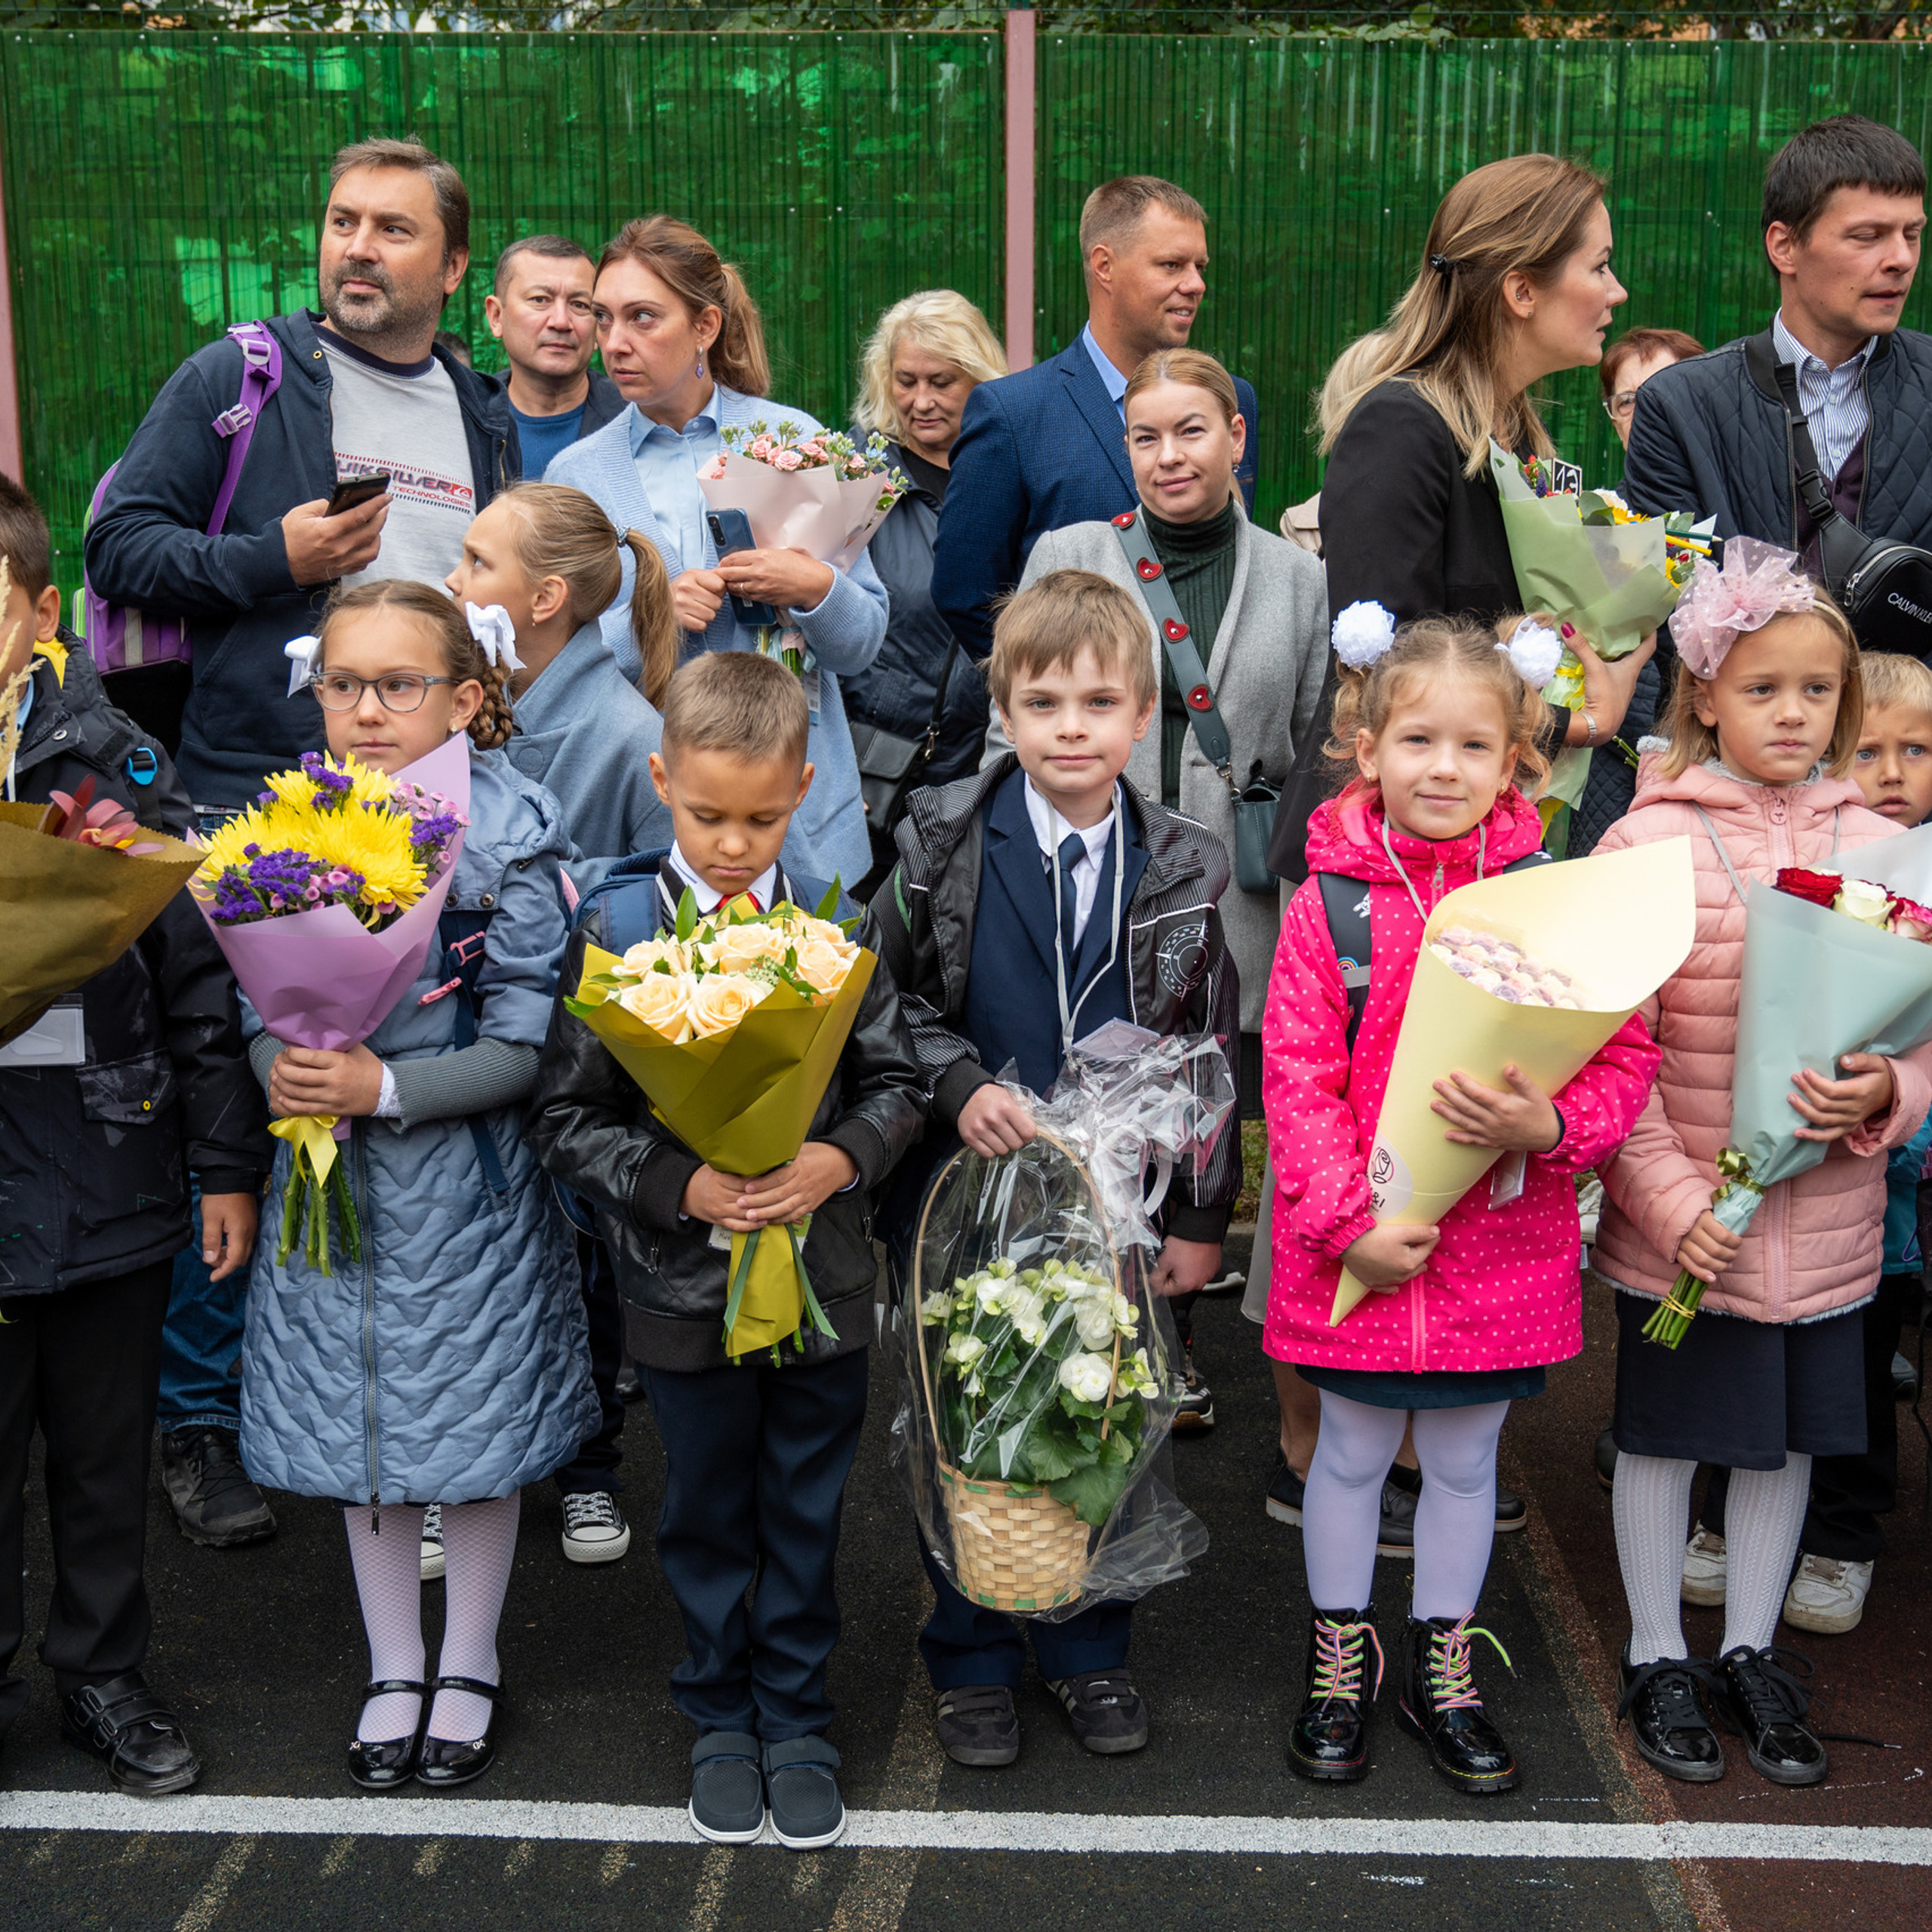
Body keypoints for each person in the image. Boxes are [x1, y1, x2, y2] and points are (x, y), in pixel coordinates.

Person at [85, 137, 520, 1546]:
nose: (359, 249)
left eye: (396, 230)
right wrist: (270, 565)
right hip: (253, 802)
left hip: (426, 819)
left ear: (453, 267)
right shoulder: (242, 378)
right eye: (343, 222)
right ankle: (203, 1421)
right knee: (237, 1098)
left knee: (385, 1104)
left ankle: (398, 1415)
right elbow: (119, 549)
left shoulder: (478, 402)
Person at [528, 651, 924, 1851]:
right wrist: (677, 1183)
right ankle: (716, 1711)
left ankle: (796, 1715)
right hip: (680, 1290)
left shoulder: (837, 918)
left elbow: (899, 1082)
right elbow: (565, 1114)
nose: (734, 843)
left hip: (823, 1286)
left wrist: (838, 1158)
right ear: (661, 780)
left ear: (805, 787)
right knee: (705, 1509)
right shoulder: (613, 925)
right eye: (705, 816)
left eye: (761, 817)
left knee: (806, 1510)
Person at [1263, 613, 1657, 1793]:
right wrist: (1350, 1227)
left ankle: (1446, 1660)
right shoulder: (1324, 907)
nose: (1446, 767)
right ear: (1365, 746)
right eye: (1419, 739)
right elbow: (1296, 1076)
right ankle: (1343, 1660)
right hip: (1365, 1251)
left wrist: (1557, 1130)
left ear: (1518, 759)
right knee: (1348, 1452)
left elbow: (1622, 1048)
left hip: (1501, 1249)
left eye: (1475, 746)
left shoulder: (1551, 899)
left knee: (1470, 1460)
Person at [870, 568, 1241, 1770]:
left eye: (1097, 703)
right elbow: (884, 999)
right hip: (965, 1179)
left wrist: (1200, 1211)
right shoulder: (937, 837)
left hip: (1116, 1201)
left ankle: (1089, 1647)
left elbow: (1205, 1046)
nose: (1070, 728)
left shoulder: (1183, 861)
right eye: (1043, 703)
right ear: (1005, 712)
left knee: (1102, 1402)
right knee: (963, 1407)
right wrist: (957, 1084)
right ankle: (972, 1650)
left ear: (1144, 717)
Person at [238, 579, 595, 1792]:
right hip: (329, 1190)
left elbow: (523, 1042)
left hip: (468, 1199)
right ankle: (396, 1664)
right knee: (364, 1428)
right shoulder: (292, 825)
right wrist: (280, 1064)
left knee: (470, 1433)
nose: (368, 710)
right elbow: (255, 998)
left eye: (400, 685)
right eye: (345, 684)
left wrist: (383, 1090)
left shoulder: (511, 834)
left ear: (467, 696)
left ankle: (472, 1660)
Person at [1593, 550, 1932, 1791]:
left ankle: (1744, 1645)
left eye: (1817, 693)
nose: (1794, 714)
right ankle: (1651, 1651)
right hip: (1687, 1225)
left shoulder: (1886, 848)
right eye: (1763, 689)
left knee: (1785, 1444)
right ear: (1704, 701)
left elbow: (1919, 1032)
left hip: (1828, 1224)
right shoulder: (1649, 841)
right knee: (1666, 1436)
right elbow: (1612, 1055)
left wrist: (1888, 1095)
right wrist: (1676, 1206)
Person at [985, 348, 1327, 1429]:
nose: (1168, 455)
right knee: (1097, 1095)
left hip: (1237, 888)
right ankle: (1106, 1332)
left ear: (1237, 436)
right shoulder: (1072, 550)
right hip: (1098, 872)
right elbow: (1026, 709)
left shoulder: (1298, 577)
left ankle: (1183, 1317)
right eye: (1145, 436)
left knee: (1201, 1098)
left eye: (1192, 430)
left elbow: (1319, 732)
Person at [0, 473, 267, 1795]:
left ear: (38, 614)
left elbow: (197, 983)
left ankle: (103, 1678)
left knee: (103, 1460)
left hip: (105, 1165)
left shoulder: (114, 766)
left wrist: (225, 1165)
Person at [440, 481, 678, 1571]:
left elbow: (649, 901)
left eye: (476, 563)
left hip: (574, 1054)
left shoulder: (628, 732)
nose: (454, 580)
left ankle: (589, 1464)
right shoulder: (454, 707)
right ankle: (458, 1469)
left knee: (586, 1266)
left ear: (543, 598)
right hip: (461, 1047)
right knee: (465, 1260)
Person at [1687, 651, 1932, 1638]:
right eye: (1867, 748)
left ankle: (1842, 1535)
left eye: (1916, 749)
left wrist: (1891, 1089)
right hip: (1770, 1154)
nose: (1891, 770)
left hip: (1888, 1188)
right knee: (1733, 1347)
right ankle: (1716, 1514)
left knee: (1860, 1367)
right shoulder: (1804, 853)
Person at [546, 215, 888, 891]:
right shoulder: (577, 474)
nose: (614, 342)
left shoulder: (794, 438)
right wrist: (652, 617)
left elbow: (863, 643)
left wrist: (813, 586)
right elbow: (555, 668)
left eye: (642, 318)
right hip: (658, 815)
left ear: (705, 327)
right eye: (604, 317)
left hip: (796, 809)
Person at [931, 176, 1261, 662]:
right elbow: (965, 594)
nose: (1195, 284)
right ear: (1105, 266)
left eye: (1199, 266)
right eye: (1172, 265)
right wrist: (1060, 692)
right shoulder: (1013, 414)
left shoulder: (1232, 400)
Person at [1626, 116, 1931, 565]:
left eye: (1913, 234)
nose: (1902, 259)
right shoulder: (1677, 407)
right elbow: (1669, 611)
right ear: (1784, 246)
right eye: (1868, 236)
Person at [841, 290, 1008, 888]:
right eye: (905, 380)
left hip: (975, 774)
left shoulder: (1005, 472)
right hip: (866, 774)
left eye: (942, 381)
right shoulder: (857, 474)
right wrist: (828, 766)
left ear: (980, 377)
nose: (920, 401)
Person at [1568, 325, 1706, 866]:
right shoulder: (1588, 521)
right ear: (1612, 416)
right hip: (1608, 757)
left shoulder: (1736, 505)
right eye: (1629, 401)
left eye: (1667, 392)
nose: (1648, 413)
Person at [484, 235, 626, 479]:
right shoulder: (467, 421)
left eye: (580, 305)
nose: (561, 322)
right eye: (540, 300)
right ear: (496, 316)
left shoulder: (635, 422)